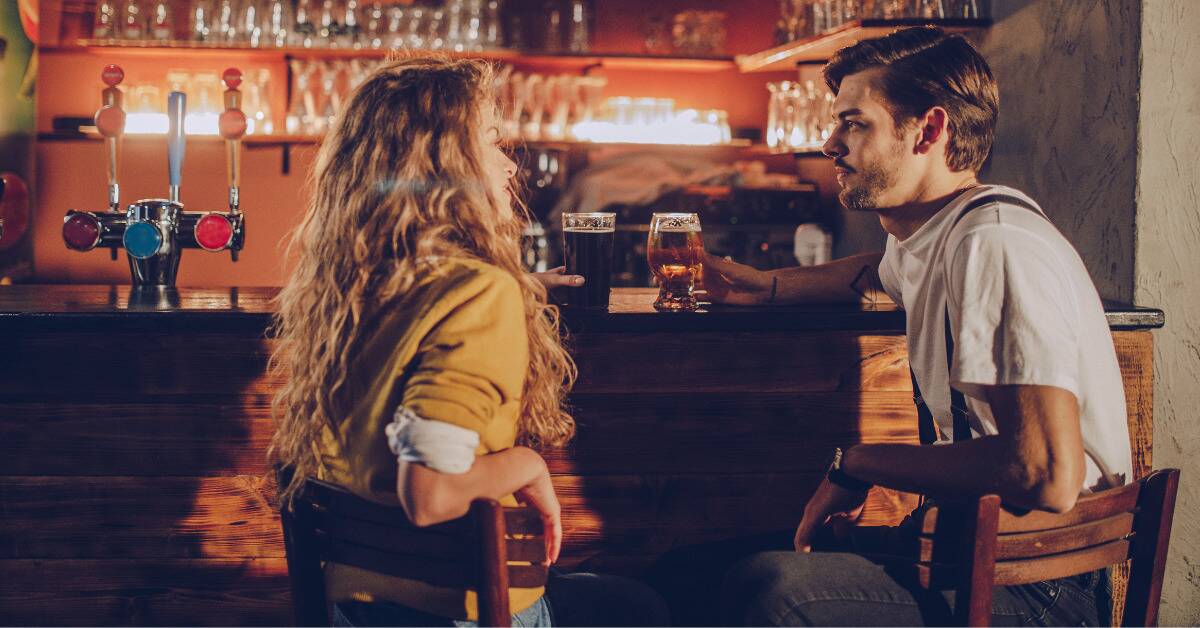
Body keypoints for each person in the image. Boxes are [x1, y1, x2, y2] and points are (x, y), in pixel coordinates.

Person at [700, 27, 1131, 626]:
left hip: (1040, 586)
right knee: (701, 570)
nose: (829, 144)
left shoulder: (994, 245)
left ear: (928, 130)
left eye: (854, 123)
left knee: (771, 586)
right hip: (974, 554)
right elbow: (874, 274)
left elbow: (1046, 474)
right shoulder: (937, 234)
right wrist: (765, 285)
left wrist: (858, 462)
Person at [269, 57, 666, 627]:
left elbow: (423, 328)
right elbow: (431, 496)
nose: (509, 167)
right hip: (458, 610)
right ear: (442, 164)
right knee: (641, 606)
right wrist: (528, 464)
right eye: (488, 142)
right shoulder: (479, 294)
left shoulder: (353, 286)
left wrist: (522, 291)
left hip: (359, 610)